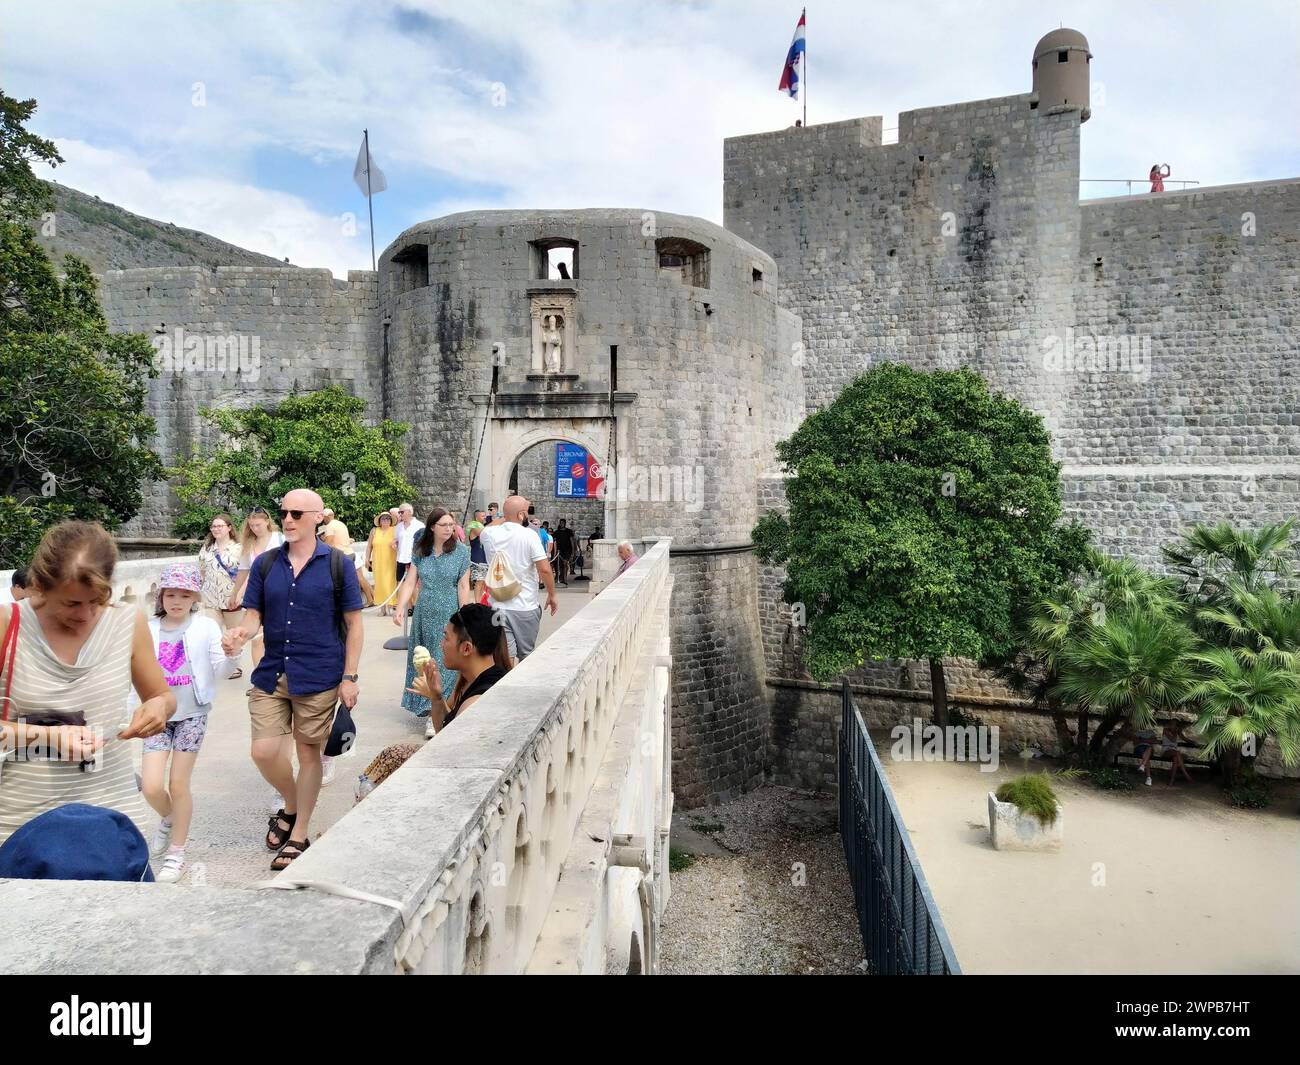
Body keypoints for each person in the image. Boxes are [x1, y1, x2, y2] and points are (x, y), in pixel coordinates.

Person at [0, 521, 175, 848]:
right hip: (20, 827)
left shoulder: (126, 621)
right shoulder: (7, 624)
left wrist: (158, 707)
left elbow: (161, 695)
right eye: (71, 603)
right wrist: (48, 737)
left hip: (110, 817)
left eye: (96, 600)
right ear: (39, 586)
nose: (85, 614)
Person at [222, 488, 363, 870]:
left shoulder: (338, 564)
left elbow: (354, 624)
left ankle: (299, 833)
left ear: (318, 517)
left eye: (297, 514)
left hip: (319, 674)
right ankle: (293, 803)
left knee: (307, 754)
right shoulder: (266, 564)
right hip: (273, 671)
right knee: (264, 751)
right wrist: (241, 634)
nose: (287, 519)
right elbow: (253, 616)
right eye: (284, 512)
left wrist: (349, 676)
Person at [140, 563, 240, 883]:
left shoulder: (206, 627)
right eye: (171, 594)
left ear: (195, 597)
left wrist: (232, 655)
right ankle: (169, 818)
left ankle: (176, 854)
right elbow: (134, 674)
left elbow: (220, 670)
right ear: (161, 596)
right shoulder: (147, 629)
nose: (177, 601)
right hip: (157, 715)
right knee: (152, 786)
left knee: (178, 784)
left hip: (192, 714)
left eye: (185, 595)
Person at [395, 508, 471, 738]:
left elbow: (463, 586)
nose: (449, 529)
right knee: (424, 660)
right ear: (432, 527)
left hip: (449, 612)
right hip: (424, 612)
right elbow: (410, 582)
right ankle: (429, 708)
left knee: (444, 661)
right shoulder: (421, 550)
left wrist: (464, 615)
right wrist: (400, 608)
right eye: (444, 525)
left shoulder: (461, 552)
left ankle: (438, 713)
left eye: (451, 525)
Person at [406, 603, 511, 734]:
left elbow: (448, 740)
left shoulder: (474, 706)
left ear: (466, 648)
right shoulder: (473, 677)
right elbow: (445, 727)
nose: (441, 644)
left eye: (446, 638)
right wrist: (436, 696)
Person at [478, 495, 558, 663]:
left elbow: (489, 527)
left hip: (497, 605)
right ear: (521, 514)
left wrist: (506, 516)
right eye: (526, 511)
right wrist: (552, 595)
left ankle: (505, 679)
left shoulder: (489, 534)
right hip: (524, 606)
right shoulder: (529, 535)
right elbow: (544, 569)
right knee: (526, 656)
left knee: (504, 656)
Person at [231, 507, 283, 693]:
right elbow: (244, 570)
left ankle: (280, 676)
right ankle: (261, 681)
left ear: (267, 522)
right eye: (251, 525)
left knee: (277, 637)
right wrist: (236, 592)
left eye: (258, 525)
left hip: (279, 594)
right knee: (256, 640)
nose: (255, 529)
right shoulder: (249, 544)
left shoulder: (280, 539)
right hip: (257, 595)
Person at [196, 514, 244, 664]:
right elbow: (202, 571)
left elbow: (246, 573)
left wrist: (239, 595)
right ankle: (217, 663)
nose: (216, 529)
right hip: (210, 598)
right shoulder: (207, 548)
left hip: (231, 598)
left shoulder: (239, 548)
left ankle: (234, 664)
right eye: (213, 526)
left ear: (229, 528)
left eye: (220, 526)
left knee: (233, 635)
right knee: (212, 634)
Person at [365, 511, 399, 616]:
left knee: (389, 583)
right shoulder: (374, 531)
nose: (386, 520)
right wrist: (367, 558)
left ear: (391, 521)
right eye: (383, 518)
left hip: (390, 561)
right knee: (379, 584)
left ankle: (390, 606)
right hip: (377, 562)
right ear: (380, 521)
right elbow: (369, 546)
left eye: (388, 519)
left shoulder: (395, 530)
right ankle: (382, 608)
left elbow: (399, 543)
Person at [394, 502, 424, 586]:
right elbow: (396, 540)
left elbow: (424, 543)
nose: (400, 514)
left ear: (410, 512)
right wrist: (395, 544)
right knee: (399, 583)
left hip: (414, 560)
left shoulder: (420, 525)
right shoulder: (398, 527)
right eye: (399, 512)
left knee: (413, 585)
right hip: (400, 559)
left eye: (402, 512)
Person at [467, 513, 488, 599]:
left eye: (485, 515)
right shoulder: (474, 528)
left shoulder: (484, 528)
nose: (484, 517)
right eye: (482, 516)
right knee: (479, 581)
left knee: (484, 583)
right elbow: (483, 533)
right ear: (476, 517)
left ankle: (480, 601)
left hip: (485, 559)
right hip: (477, 560)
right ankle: (477, 602)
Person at [553, 519, 576, 587]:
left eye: (563, 523)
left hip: (567, 550)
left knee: (565, 563)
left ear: (565, 523)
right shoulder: (556, 532)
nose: (561, 524)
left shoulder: (569, 531)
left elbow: (572, 541)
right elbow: (554, 542)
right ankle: (561, 577)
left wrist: (573, 551)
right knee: (560, 565)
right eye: (561, 523)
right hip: (559, 551)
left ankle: (565, 579)